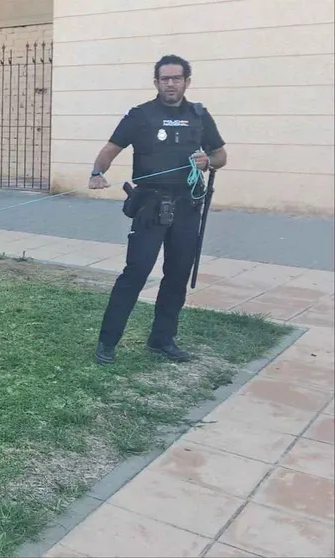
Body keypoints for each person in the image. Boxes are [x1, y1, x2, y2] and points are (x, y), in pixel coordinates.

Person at [88, 54, 227, 365]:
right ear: (156, 82)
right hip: (151, 206)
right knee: (135, 273)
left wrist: (208, 161)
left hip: (188, 206)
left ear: (187, 82)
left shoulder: (200, 115)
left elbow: (220, 156)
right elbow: (111, 148)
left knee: (177, 275)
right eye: (165, 78)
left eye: (177, 78)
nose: (171, 83)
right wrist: (97, 173)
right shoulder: (141, 115)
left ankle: (162, 339)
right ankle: (107, 342)